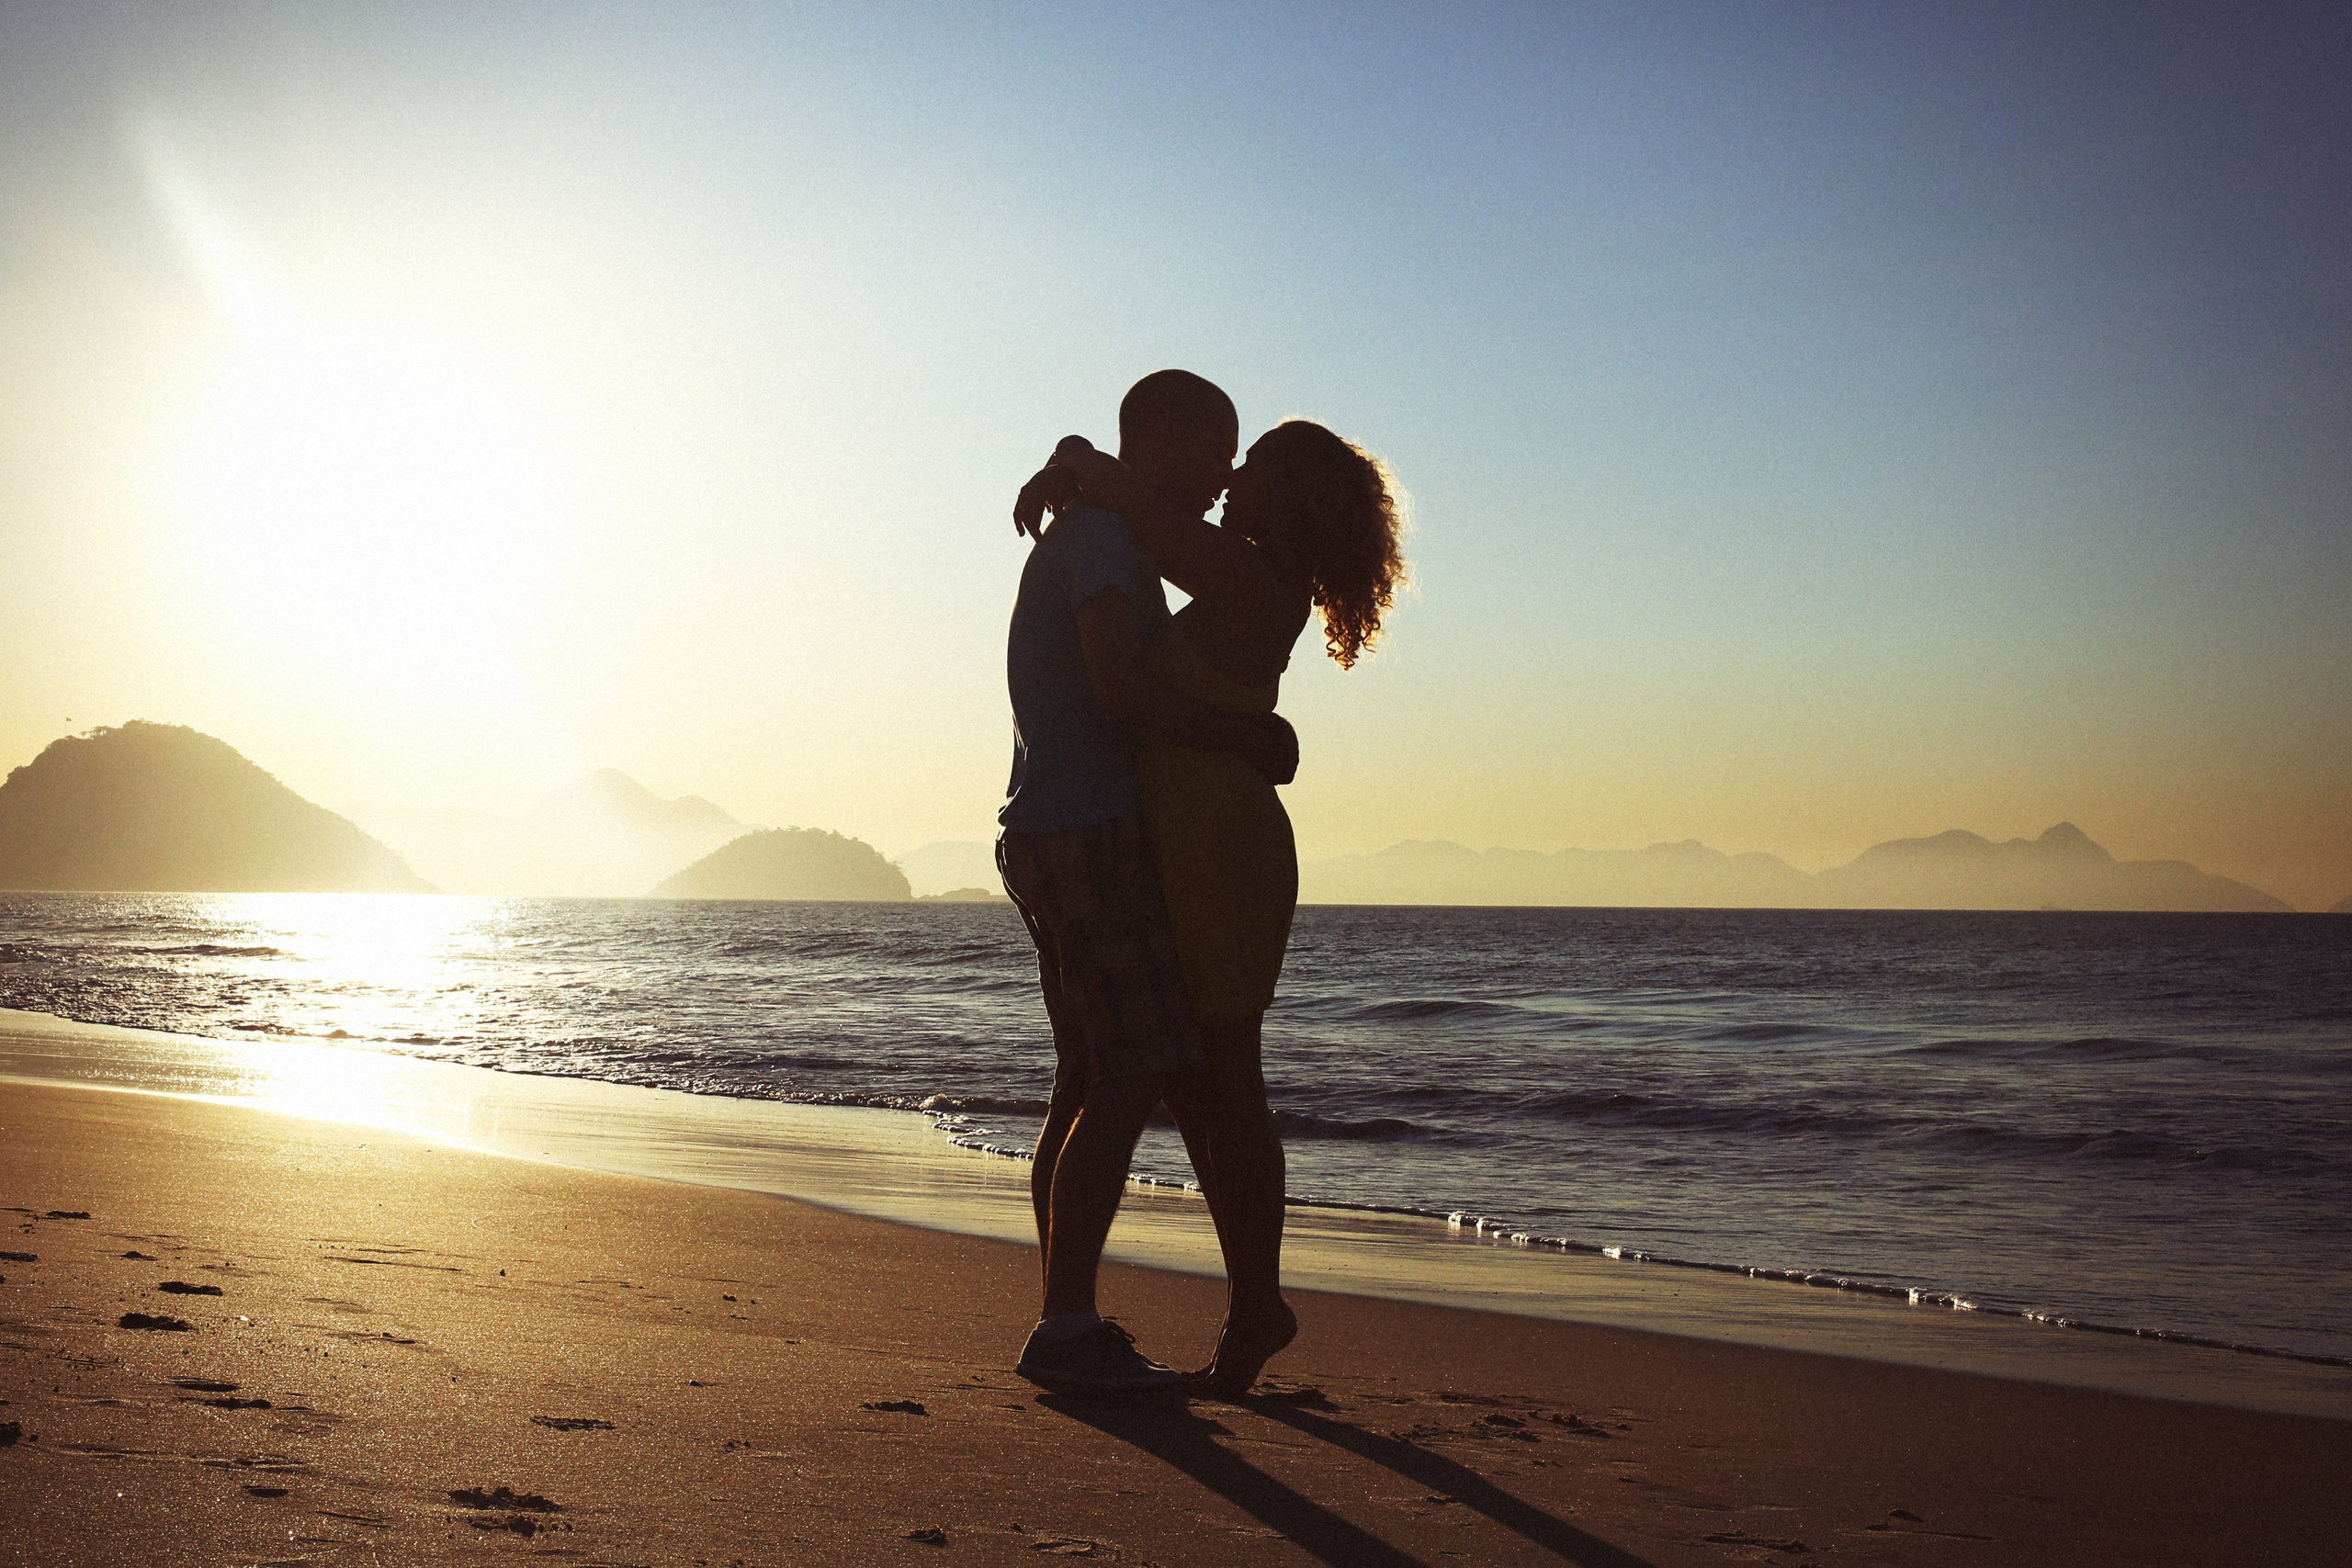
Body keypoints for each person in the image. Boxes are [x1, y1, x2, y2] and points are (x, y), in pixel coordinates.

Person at [1013, 409, 1406, 1397]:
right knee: (1190, 1082)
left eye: (1254, 465)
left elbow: (1136, 505)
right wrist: (1074, 468)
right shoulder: (1236, 567)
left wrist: (1075, 462)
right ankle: (1235, 1310)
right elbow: (1131, 514)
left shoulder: (1252, 577)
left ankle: (1248, 1306)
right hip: (1182, 840)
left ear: (1294, 497)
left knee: (1222, 1080)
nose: (1233, 478)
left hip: (1220, 850)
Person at [998, 370, 1299, 1394]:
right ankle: (1066, 1327)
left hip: (1058, 825)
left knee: (1090, 1076)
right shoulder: (1100, 540)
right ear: (1161, 437)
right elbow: (1119, 688)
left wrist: (1077, 460)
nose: (1223, 472)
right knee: (1131, 1070)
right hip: (1085, 829)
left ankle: (1065, 1316)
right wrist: (1247, 738)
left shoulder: (1112, 530)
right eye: (1217, 448)